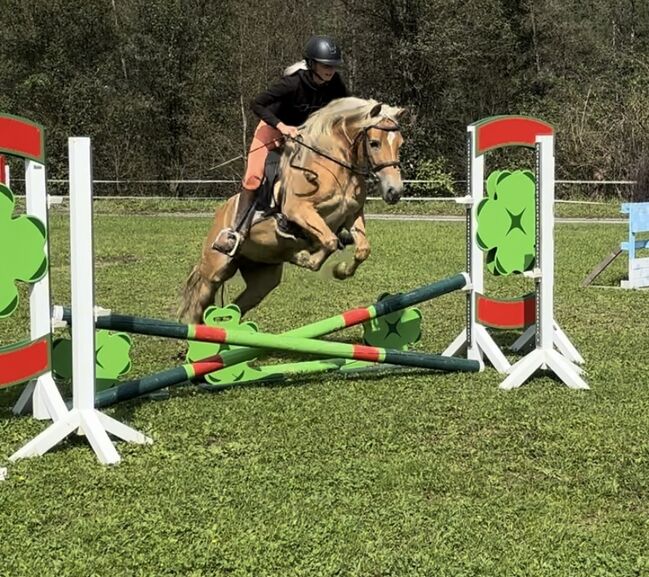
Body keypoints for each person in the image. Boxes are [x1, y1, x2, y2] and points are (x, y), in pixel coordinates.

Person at [212, 35, 349, 256]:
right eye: (326, 65)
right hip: (271, 128)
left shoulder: (335, 84)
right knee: (254, 177)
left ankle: (336, 221)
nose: (330, 70)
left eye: (333, 66)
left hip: (302, 136)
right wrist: (282, 126)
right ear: (312, 63)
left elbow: (346, 107)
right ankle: (234, 232)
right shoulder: (292, 83)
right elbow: (256, 104)